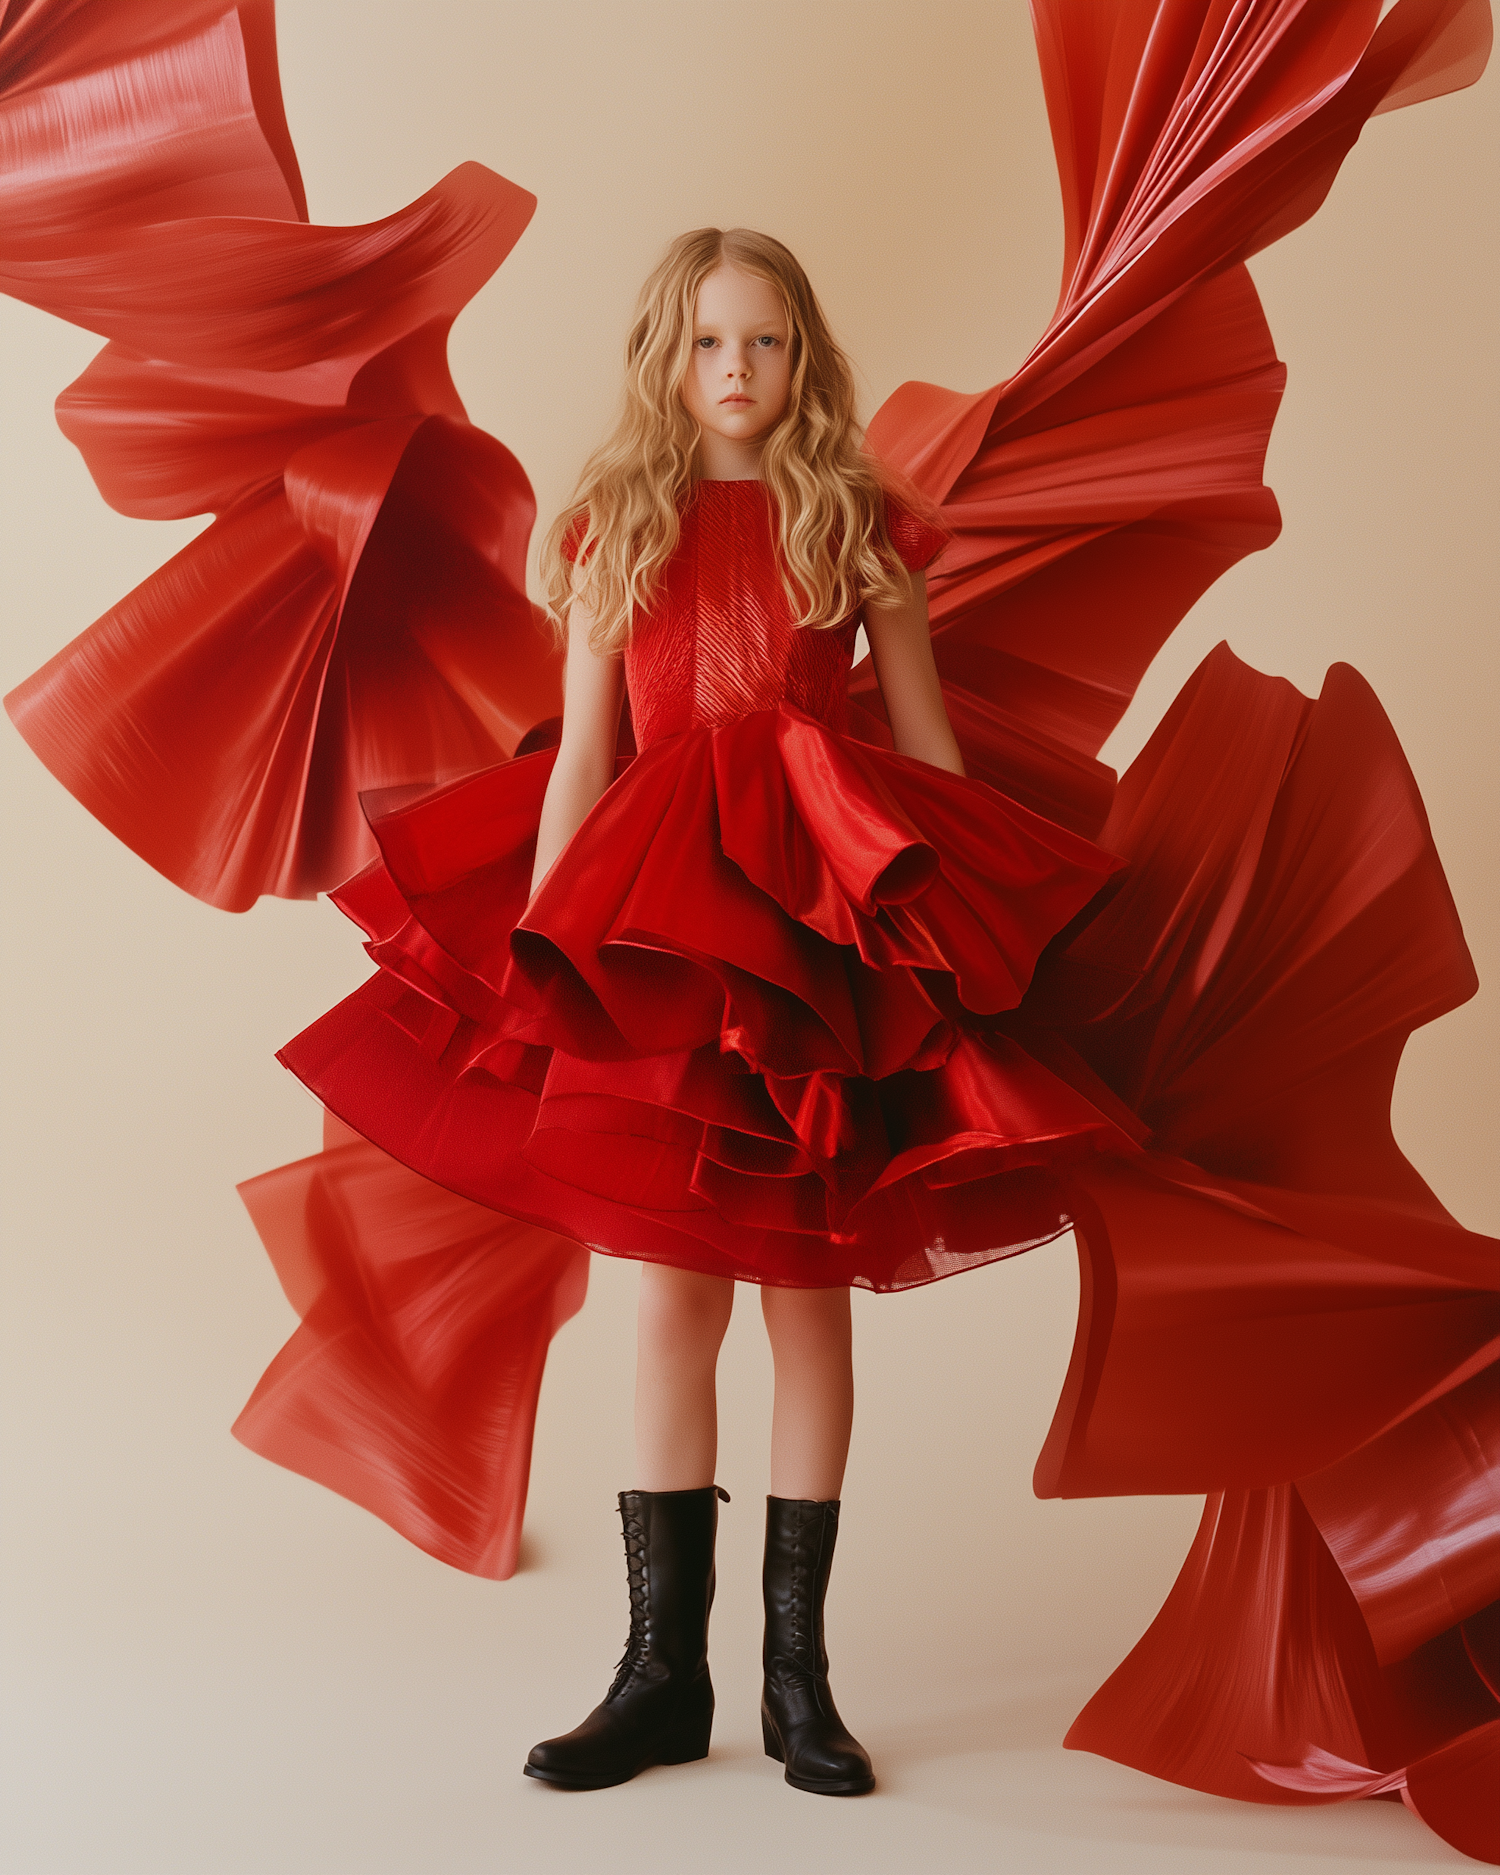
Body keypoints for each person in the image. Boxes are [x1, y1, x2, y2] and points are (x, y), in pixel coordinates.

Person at [278, 224, 1126, 1795]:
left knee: (806, 1294)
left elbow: (928, 760)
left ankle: (798, 1682)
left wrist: (968, 925)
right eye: (710, 344)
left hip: (811, 939)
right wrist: (542, 949)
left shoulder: (859, 530)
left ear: (808, 361)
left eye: (769, 344)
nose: (739, 373)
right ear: (664, 359)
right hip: (659, 933)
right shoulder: (618, 526)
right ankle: (660, 1675)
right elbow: (586, 763)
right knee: (666, 1297)